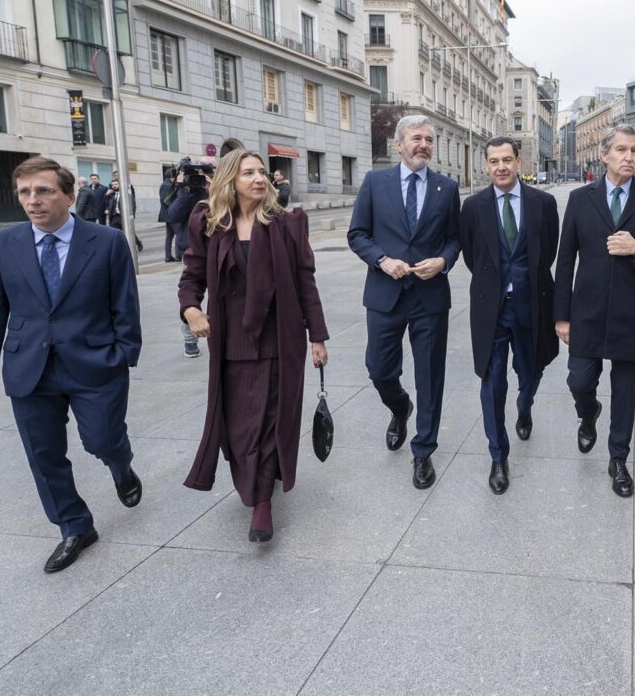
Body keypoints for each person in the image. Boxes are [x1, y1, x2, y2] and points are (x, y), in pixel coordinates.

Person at [0, 157, 142, 572]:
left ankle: (121, 464)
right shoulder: (2, 244)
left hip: (94, 363)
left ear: (69, 196)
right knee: (44, 455)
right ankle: (74, 526)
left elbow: (124, 304)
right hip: (30, 367)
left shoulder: (107, 241)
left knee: (103, 441)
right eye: (24, 192)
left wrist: (125, 353)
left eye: (44, 191)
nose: (33, 201)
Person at [178, 149, 329, 542]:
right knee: (240, 422)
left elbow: (305, 282)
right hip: (230, 338)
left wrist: (318, 335)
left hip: (280, 335)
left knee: (269, 419)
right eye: (249, 173)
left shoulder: (287, 224)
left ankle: (262, 504)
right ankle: (255, 479)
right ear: (230, 180)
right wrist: (190, 309)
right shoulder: (209, 223)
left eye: (262, 172)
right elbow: (192, 273)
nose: (260, 179)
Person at [554, 123, 635, 497]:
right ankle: (588, 412)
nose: (630, 157)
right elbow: (565, 261)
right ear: (605, 154)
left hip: (632, 315)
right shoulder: (581, 199)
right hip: (587, 313)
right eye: (622, 150)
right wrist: (562, 315)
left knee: (625, 395)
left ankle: (618, 460)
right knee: (578, 380)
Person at [347, 115, 461, 490]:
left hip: (429, 297)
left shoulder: (447, 187)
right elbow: (357, 234)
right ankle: (400, 408)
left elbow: (454, 239)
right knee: (379, 370)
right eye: (416, 138)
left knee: (430, 376)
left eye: (429, 139)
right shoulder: (374, 182)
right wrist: (382, 260)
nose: (424, 144)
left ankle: (423, 451)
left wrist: (443, 261)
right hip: (386, 294)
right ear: (399, 145)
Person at [459, 137, 560, 494]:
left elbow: (548, 251)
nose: (500, 167)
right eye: (493, 161)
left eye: (506, 159)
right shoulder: (472, 207)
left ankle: (525, 405)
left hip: (532, 303)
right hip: (491, 309)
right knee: (492, 380)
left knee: (531, 370)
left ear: (518, 162)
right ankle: (498, 455)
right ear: (485, 165)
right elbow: (473, 258)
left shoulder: (543, 204)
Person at [169, 157, 215, 357]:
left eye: (208, 170)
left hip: (218, 248)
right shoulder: (181, 189)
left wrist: (213, 185)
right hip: (191, 249)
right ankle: (190, 339)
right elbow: (173, 215)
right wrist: (185, 191)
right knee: (190, 296)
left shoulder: (217, 187)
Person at [159, 168, 178, 261]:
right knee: (177, 234)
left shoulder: (167, 184)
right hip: (170, 214)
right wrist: (176, 207)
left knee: (170, 235)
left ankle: (168, 256)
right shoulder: (166, 185)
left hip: (169, 214)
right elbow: (165, 200)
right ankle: (175, 255)